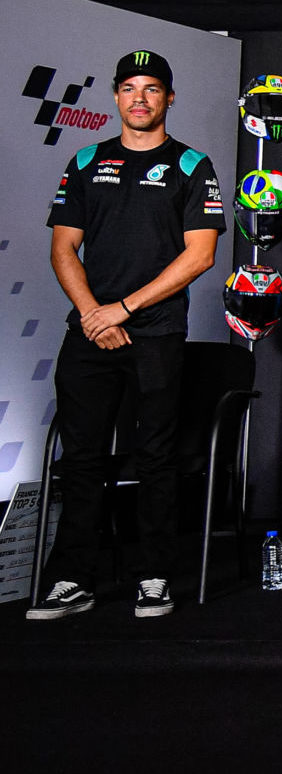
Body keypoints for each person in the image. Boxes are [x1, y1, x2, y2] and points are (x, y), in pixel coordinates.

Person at [28, 51, 225, 620]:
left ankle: (155, 577)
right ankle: (72, 580)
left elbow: (201, 255)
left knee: (154, 457)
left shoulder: (193, 164)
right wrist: (94, 312)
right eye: (130, 88)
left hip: (156, 333)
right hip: (88, 332)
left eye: (152, 89)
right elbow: (63, 247)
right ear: (115, 96)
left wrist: (123, 309)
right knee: (83, 458)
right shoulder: (86, 160)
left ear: (168, 98)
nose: (140, 98)